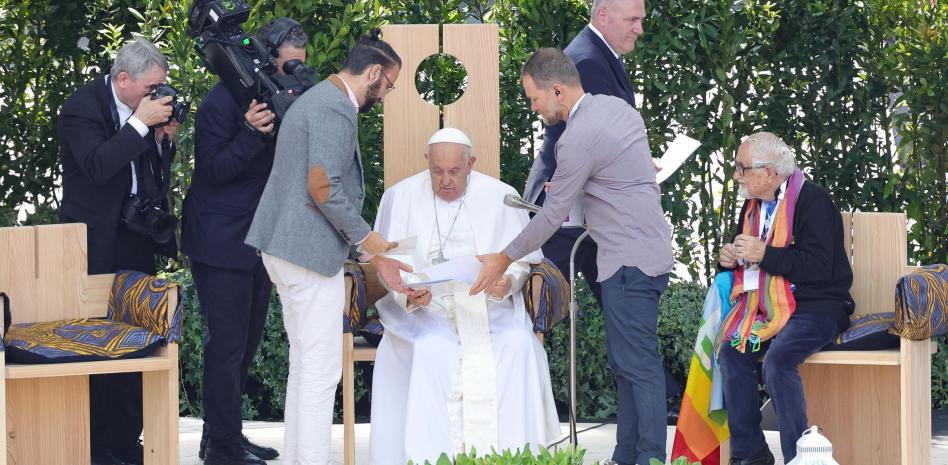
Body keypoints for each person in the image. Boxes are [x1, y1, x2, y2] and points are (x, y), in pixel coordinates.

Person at [472, 48, 673, 465]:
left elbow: (550, 219)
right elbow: (615, 177)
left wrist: (502, 258)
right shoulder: (617, 110)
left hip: (627, 260)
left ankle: (651, 457)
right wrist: (570, 190)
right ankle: (626, 456)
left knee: (639, 365)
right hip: (645, 254)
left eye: (534, 98)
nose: (533, 107)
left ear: (557, 90)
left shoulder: (577, 138)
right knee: (625, 363)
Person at [244, 30, 411, 465]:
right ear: (373, 72)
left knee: (305, 366)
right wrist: (369, 241)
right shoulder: (336, 107)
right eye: (388, 85)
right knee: (321, 373)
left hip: (286, 249)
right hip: (307, 254)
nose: (386, 94)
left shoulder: (319, 98)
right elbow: (323, 186)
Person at [368, 128, 560, 464]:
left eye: (454, 171)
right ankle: (432, 458)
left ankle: (512, 458)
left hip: (489, 307)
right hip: (426, 312)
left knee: (516, 343)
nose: (445, 180)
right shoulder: (400, 197)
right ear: (427, 163)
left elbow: (522, 264)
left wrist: (507, 283)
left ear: (470, 164)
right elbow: (389, 268)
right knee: (432, 349)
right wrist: (410, 295)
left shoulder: (501, 196)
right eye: (437, 171)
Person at [182, 17, 308, 465]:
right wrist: (252, 134)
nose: (291, 75)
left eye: (300, 67)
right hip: (220, 242)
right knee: (228, 345)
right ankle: (221, 447)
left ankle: (225, 434)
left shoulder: (278, 100)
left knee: (247, 345)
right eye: (288, 65)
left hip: (257, 240)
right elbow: (213, 172)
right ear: (267, 56)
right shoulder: (220, 101)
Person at [58, 38, 179, 465]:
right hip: (92, 242)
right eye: (150, 88)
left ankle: (128, 443)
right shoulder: (82, 107)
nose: (156, 95)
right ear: (122, 79)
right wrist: (140, 125)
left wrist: (162, 140)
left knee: (135, 339)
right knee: (94, 342)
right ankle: (95, 444)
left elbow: (152, 175)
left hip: (137, 235)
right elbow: (96, 166)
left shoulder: (143, 110)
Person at [716, 132, 853, 465]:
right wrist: (728, 257)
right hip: (764, 306)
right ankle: (751, 455)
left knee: (778, 361)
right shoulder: (751, 205)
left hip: (818, 306)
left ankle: (798, 457)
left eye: (742, 167)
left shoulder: (812, 201)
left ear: (768, 172)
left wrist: (765, 254)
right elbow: (746, 261)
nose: (736, 175)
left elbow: (820, 267)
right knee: (732, 352)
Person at [522, 0, 644, 307]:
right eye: (632, 20)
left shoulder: (596, 53)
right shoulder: (588, 61)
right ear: (602, 15)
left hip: (583, 206)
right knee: (537, 312)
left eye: (640, 20)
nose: (639, 29)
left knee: (620, 307)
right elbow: (590, 142)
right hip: (567, 207)